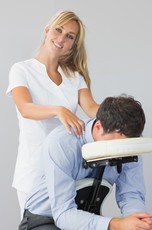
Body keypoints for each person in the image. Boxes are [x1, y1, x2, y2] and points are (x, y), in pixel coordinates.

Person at [19, 95, 152, 230]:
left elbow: (131, 194)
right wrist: (116, 226)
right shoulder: (62, 142)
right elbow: (63, 215)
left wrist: (136, 224)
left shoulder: (129, 145)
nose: (120, 153)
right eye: (115, 145)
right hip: (44, 222)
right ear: (98, 126)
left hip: (87, 219)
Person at [6, 10, 99, 213]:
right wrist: (58, 110)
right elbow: (25, 108)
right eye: (58, 30)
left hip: (66, 169)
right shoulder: (21, 70)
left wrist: (121, 109)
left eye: (69, 36)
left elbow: (93, 109)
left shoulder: (74, 77)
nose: (61, 38)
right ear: (47, 30)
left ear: (73, 45)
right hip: (33, 169)